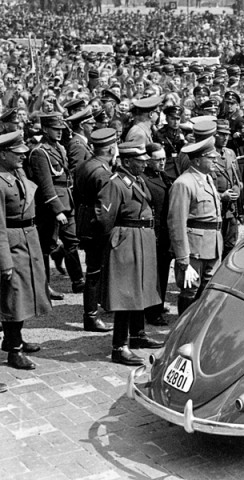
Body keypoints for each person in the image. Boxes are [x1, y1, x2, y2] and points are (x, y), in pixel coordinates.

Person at [95, 142, 163, 366]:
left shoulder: (137, 179)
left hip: (142, 238)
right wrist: (117, 239)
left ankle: (137, 335)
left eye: (144, 160)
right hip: (127, 239)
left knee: (140, 289)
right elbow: (104, 219)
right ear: (126, 161)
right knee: (125, 294)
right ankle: (119, 346)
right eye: (139, 161)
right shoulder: (115, 183)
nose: (144, 164)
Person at [0, 131, 51, 370]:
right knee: (13, 297)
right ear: (2, 155)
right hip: (11, 243)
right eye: (16, 153)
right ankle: (14, 350)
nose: (22, 156)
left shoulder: (17, 173)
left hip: (28, 238)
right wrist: (4, 262)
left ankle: (14, 339)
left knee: (23, 295)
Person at [25, 113, 84, 299]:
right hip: (50, 206)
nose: (59, 132)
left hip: (67, 200)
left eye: (61, 129)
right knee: (46, 245)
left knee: (72, 241)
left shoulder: (59, 148)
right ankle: (44, 287)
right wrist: (57, 209)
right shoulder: (39, 152)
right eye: (55, 129)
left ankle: (78, 280)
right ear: (45, 129)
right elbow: (45, 184)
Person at [167, 138, 224, 315]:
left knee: (208, 291)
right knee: (190, 290)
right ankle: (183, 328)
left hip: (212, 245)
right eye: (211, 158)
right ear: (197, 160)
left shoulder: (207, 179)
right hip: (194, 249)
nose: (215, 160)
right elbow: (176, 223)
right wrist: (183, 259)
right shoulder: (184, 183)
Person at [73, 128, 117, 333]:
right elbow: (105, 210)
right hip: (97, 227)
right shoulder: (103, 172)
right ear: (110, 149)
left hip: (84, 221)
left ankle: (94, 311)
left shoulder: (85, 165)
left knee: (93, 269)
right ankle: (91, 316)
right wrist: (109, 232)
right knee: (96, 271)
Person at [141, 143, 173, 327]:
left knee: (163, 271)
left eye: (164, 159)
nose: (162, 162)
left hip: (164, 233)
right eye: (158, 159)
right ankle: (152, 312)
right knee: (154, 274)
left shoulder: (163, 175)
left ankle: (158, 305)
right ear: (148, 160)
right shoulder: (144, 179)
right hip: (153, 233)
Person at [212, 120, 242, 258]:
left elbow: (237, 178)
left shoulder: (230, 153)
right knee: (215, 247)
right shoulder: (208, 155)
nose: (225, 138)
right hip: (215, 209)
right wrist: (221, 196)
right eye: (221, 134)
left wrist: (237, 189)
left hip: (230, 210)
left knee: (230, 245)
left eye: (227, 135)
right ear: (214, 135)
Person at [154, 105, 187, 181]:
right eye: (172, 119)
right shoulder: (159, 134)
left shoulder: (183, 132)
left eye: (178, 119)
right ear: (166, 119)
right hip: (167, 167)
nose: (175, 122)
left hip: (181, 165)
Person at [66, 106, 95, 173]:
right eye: (90, 124)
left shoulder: (83, 142)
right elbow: (76, 172)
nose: (93, 126)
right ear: (81, 126)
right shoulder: (77, 145)